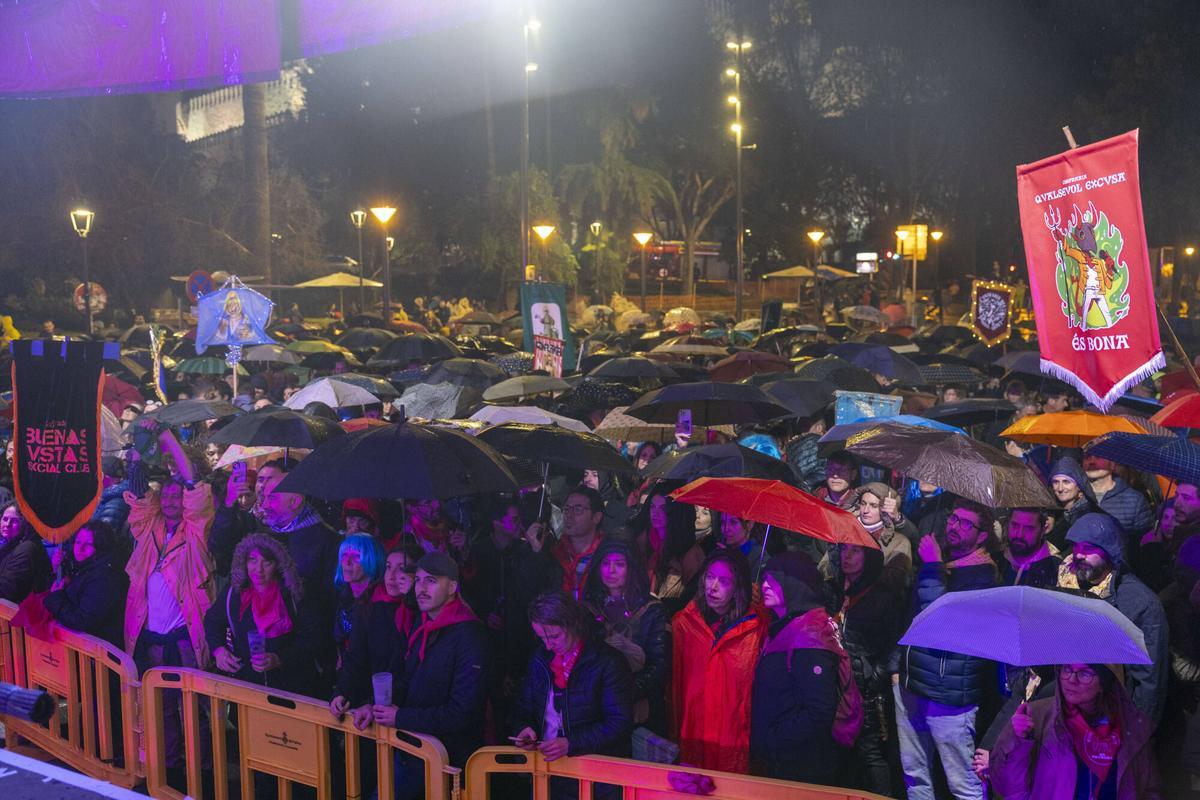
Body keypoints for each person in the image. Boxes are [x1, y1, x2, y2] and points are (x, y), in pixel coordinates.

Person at [893, 499, 998, 800]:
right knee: (915, 776)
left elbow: (939, 621)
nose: (954, 525)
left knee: (962, 783)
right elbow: (910, 618)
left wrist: (933, 566)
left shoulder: (984, 576)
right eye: (953, 518)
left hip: (949, 692)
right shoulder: (945, 563)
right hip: (912, 682)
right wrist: (896, 669)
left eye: (966, 523)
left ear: (981, 536)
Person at [374, 552, 488, 795]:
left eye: (431, 581)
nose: (421, 589)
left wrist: (401, 717)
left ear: (452, 587)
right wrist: (372, 706)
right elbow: (410, 679)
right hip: (414, 748)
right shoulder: (424, 623)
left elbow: (463, 713)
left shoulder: (470, 636)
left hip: (447, 758)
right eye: (418, 580)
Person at [750, 552, 862, 784]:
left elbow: (819, 711)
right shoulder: (784, 627)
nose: (765, 585)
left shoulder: (810, 635)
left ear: (795, 583)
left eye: (775, 579)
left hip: (803, 766)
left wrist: (773, 738)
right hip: (783, 760)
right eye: (765, 578)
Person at [1058, 513, 1168, 725]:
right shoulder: (1067, 585)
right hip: (1069, 712)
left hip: (1111, 717)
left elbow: (1149, 680)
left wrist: (1137, 733)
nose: (1079, 555)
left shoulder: (1140, 603)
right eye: (1077, 547)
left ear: (1110, 552)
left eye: (1089, 549)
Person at [990, 664, 1161, 799]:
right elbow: (1007, 787)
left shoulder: (1130, 728)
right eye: (1067, 669)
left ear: (1104, 682)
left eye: (1085, 673)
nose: (1072, 679)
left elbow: (1148, 790)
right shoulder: (1038, 716)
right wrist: (1017, 740)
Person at [512, 591, 634, 771]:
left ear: (573, 625)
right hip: (547, 767)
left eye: (554, 637)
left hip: (595, 773)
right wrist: (525, 729)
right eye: (541, 638)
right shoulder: (540, 659)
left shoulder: (608, 662)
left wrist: (571, 743)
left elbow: (619, 722)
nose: (547, 645)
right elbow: (524, 707)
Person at [671, 549, 767, 774]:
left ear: (737, 588)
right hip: (693, 733)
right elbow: (676, 686)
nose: (712, 587)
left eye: (723, 581)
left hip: (734, 737)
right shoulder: (685, 624)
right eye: (710, 577)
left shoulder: (755, 629)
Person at [255, 458, 341, 689]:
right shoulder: (263, 534)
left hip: (307, 654)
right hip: (264, 651)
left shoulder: (325, 540)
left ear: (295, 500)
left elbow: (332, 600)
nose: (264, 502)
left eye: (272, 496)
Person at [204, 534, 317, 694]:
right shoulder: (235, 593)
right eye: (253, 560)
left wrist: (280, 659)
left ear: (279, 564)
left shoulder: (294, 593)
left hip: (290, 688)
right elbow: (212, 620)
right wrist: (219, 650)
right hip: (246, 687)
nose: (259, 569)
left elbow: (312, 638)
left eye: (267, 562)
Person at [581, 539, 671, 735]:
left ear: (631, 568)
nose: (610, 570)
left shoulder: (652, 611)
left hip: (640, 711)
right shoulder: (588, 609)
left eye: (619, 564)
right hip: (597, 710)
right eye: (605, 563)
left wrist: (622, 692)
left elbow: (660, 666)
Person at [838, 543, 905, 796]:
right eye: (844, 549)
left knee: (871, 751)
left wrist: (874, 678)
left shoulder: (882, 596)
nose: (847, 556)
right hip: (842, 683)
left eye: (856, 551)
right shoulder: (834, 589)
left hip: (868, 688)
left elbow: (894, 645)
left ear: (870, 558)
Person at [331, 547, 418, 729]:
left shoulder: (423, 611)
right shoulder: (370, 603)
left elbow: (414, 670)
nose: (393, 575)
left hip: (408, 709)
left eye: (402, 568)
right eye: (388, 567)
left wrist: (412, 599)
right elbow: (355, 656)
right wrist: (342, 692)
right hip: (370, 705)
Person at [44, 521, 129, 647]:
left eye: (88, 544)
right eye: (78, 542)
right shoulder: (84, 567)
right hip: (83, 650)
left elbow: (82, 621)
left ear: (102, 546)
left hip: (97, 655)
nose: (80, 548)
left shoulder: (104, 578)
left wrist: (56, 597)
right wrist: (57, 570)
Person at [537, 486, 605, 600]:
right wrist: (536, 554)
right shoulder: (555, 553)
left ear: (596, 517)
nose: (569, 515)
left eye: (578, 510)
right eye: (567, 508)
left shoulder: (607, 557)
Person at [848, 482, 914, 593]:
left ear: (885, 509)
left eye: (874, 506)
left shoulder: (899, 542)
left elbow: (896, 582)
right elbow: (825, 567)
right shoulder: (846, 531)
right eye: (863, 504)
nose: (865, 510)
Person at [333, 533, 385, 663]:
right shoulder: (345, 596)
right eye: (344, 555)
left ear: (372, 559)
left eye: (356, 556)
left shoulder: (378, 603)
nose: (347, 562)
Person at [1083, 454, 1153, 539]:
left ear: (1112, 464)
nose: (1092, 462)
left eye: (1098, 457)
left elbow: (1145, 539)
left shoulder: (1134, 500)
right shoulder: (1076, 495)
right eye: (1087, 457)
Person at [0, 503, 51, 602]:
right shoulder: (13, 543)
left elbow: (6, 591)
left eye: (14, 521)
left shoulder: (26, 549)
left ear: (26, 523)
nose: (7, 524)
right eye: (5, 519)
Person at [1001, 507, 1061, 588]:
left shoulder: (1057, 571)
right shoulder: (998, 561)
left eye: (1028, 528)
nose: (1019, 534)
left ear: (1043, 531)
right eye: (1015, 525)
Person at [1048, 456, 1095, 550]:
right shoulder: (1052, 513)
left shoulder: (1089, 515)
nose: (1060, 488)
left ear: (1078, 486)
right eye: (1056, 482)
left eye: (1066, 482)